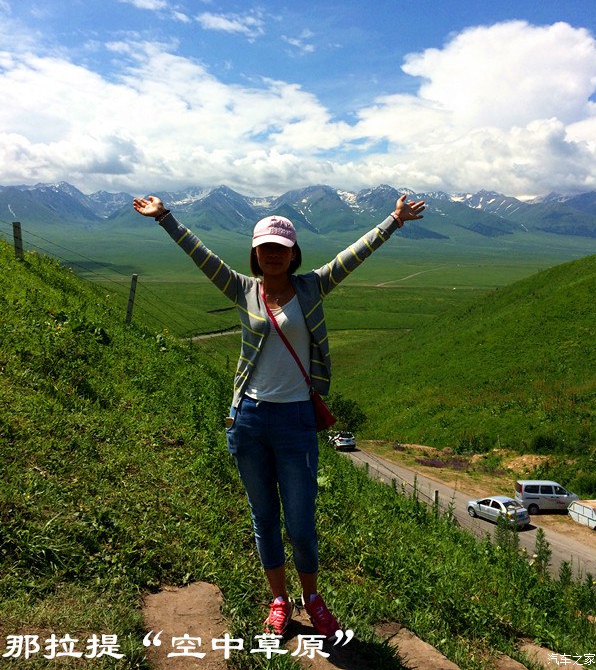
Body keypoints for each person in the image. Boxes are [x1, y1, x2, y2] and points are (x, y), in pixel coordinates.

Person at [132, 192, 425, 637]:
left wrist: (394, 221)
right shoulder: (242, 288)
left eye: (281, 248)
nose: (273, 255)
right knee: (264, 518)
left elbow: (352, 256)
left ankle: (312, 598)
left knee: (301, 524)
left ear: (293, 254)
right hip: (249, 418)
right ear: (255, 253)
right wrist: (165, 218)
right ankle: (279, 600)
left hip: (296, 422)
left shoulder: (311, 287)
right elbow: (201, 256)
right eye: (265, 247)